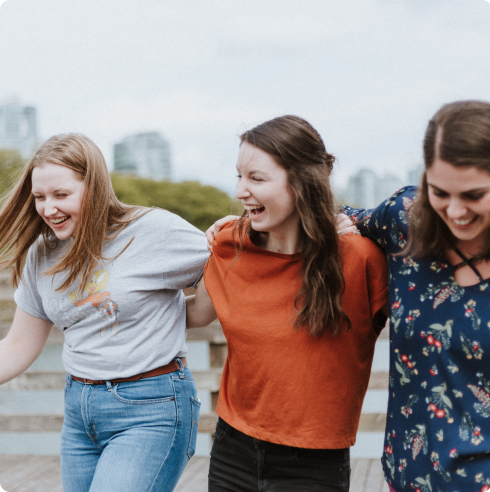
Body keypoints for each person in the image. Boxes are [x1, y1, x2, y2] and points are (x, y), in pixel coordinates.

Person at [186, 115, 389, 492]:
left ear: (301, 183)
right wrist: (116, 304)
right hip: (233, 449)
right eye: (239, 176)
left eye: (257, 179)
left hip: (315, 462)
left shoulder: (360, 258)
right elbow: (196, 314)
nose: (241, 191)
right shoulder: (229, 245)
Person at [0, 134, 209, 492]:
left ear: (94, 187)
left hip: (152, 409)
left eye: (61, 195)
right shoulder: (42, 254)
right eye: (40, 197)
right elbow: (18, 345)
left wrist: (177, 314)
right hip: (80, 412)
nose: (48, 208)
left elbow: (224, 271)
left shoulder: (151, 231)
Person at [338, 100, 490, 492]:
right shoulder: (405, 216)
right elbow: (331, 217)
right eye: (440, 192)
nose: (455, 211)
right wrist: (238, 229)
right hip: (408, 476)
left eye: (473, 195)